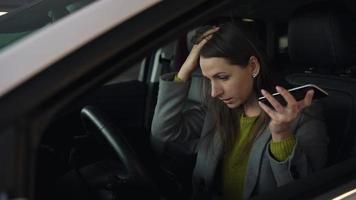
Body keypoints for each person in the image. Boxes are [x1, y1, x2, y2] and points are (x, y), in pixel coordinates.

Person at [151, 20, 328, 200]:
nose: (214, 92)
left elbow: (304, 191)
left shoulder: (301, 113)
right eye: (208, 79)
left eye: (222, 77)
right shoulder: (217, 110)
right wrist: (185, 70)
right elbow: (164, 131)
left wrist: (281, 136)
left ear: (253, 66)